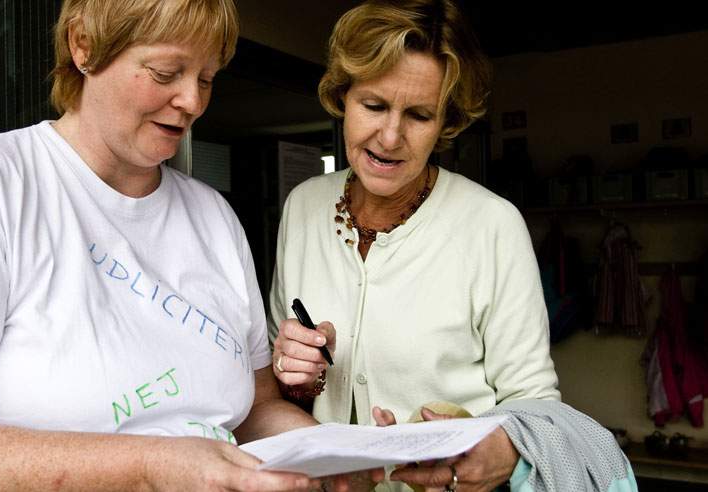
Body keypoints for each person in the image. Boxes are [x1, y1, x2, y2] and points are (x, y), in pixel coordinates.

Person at [0, 1, 371, 490]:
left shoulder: (214, 217)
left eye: (207, 78)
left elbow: (255, 412)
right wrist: (151, 467)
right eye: (166, 73)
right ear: (85, 46)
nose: (192, 101)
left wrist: (348, 453)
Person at [268, 1, 637, 491]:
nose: (390, 135)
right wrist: (298, 374)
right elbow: (276, 386)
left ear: (447, 123)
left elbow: (534, 403)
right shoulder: (303, 207)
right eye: (374, 106)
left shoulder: (491, 224)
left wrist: (499, 455)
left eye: (419, 115)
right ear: (343, 96)